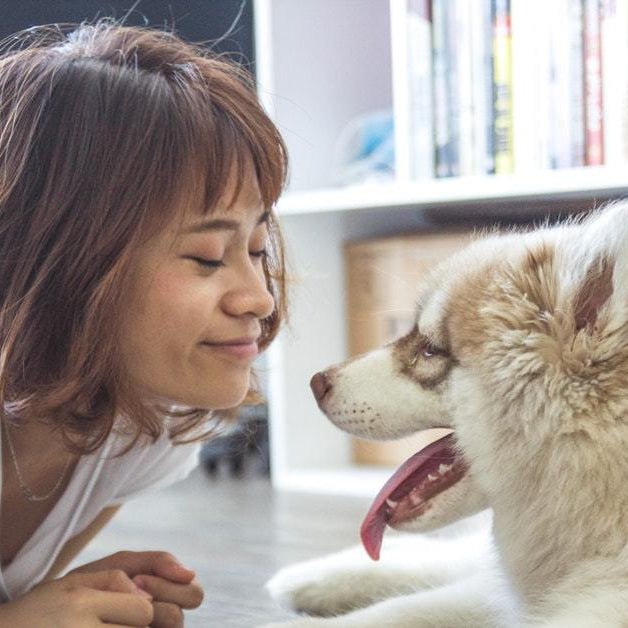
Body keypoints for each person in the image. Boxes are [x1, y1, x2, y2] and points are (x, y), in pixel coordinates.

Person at [0, 18, 288, 628]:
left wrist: (68, 598)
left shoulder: (141, 429)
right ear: (65, 265)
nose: (260, 298)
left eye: (258, 249)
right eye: (207, 257)